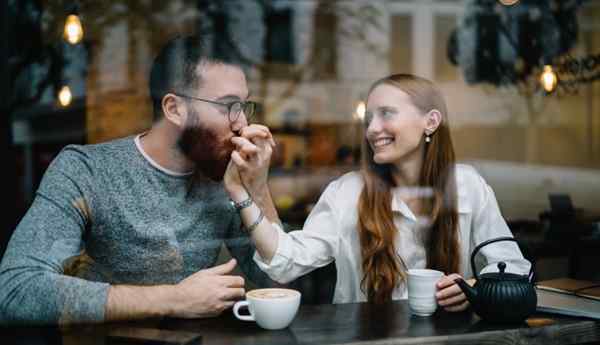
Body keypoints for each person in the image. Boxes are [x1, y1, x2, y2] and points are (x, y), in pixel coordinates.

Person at [0, 34, 279, 325]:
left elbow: (280, 285)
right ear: (174, 109)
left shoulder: (226, 178)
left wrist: (257, 189)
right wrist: (174, 300)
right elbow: (17, 291)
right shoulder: (87, 171)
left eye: (244, 106)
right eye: (227, 106)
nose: (243, 124)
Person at [224, 74, 530, 310]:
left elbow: (514, 269)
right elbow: (284, 262)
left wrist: (474, 288)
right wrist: (241, 191)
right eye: (369, 118)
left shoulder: (468, 186)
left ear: (431, 121)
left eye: (386, 114)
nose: (372, 129)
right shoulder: (347, 192)